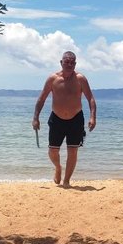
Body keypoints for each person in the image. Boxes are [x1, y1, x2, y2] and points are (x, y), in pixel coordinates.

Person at [32, 51, 97, 188]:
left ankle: (67, 180)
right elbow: (41, 98)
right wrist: (36, 118)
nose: (69, 64)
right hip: (57, 119)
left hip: (76, 119)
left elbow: (90, 98)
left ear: (75, 64)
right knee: (53, 151)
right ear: (61, 63)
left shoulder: (80, 79)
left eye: (72, 62)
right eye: (66, 62)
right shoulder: (53, 79)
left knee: (72, 150)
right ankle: (58, 168)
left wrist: (93, 117)